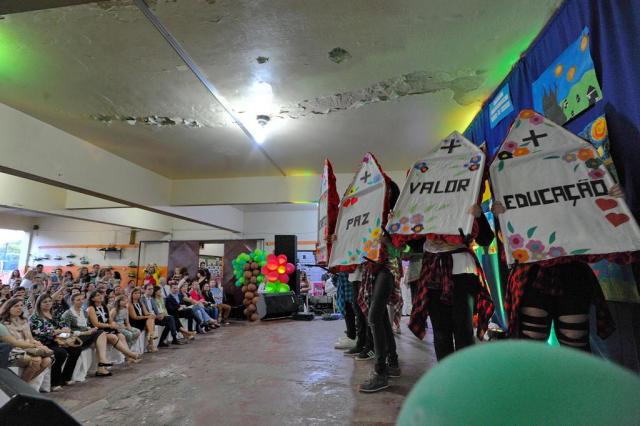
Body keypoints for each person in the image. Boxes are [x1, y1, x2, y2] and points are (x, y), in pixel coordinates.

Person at [492, 185, 626, 351]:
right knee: (532, 343)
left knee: (574, 342)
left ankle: (573, 377)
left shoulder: (570, 169)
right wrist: (502, 219)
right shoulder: (513, 176)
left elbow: (597, 221)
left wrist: (612, 198)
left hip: (571, 270)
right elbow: (507, 243)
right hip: (532, 273)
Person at [409, 202, 495, 362]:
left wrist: (478, 215)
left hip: (463, 271)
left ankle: (464, 379)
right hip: (433, 271)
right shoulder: (424, 202)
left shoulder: (467, 197)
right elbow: (414, 244)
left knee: (463, 332)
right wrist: (403, 224)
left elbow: (486, 239)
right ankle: (447, 378)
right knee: (441, 333)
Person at [29, 294, 83, 390]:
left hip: (59, 339)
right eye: (45, 302)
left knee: (76, 349)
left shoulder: (54, 314)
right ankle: (55, 382)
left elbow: (64, 324)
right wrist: (59, 331)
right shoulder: (35, 317)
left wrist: (65, 328)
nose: (48, 303)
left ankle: (66, 377)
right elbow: (41, 333)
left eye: (49, 301)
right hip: (45, 343)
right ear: (39, 304)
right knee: (61, 353)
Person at [0, 297, 53, 382]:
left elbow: (30, 338)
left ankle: (25, 383)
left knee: (47, 360)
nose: (19, 308)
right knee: (37, 360)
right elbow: (14, 343)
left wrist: (38, 345)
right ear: (8, 308)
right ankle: (21, 386)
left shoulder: (24, 321)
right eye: (16, 306)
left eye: (21, 305)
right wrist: (34, 345)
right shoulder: (3, 323)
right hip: (12, 350)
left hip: (27, 347)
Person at [61, 293, 113, 377]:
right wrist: (84, 332)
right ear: (72, 302)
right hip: (75, 339)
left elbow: (86, 325)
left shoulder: (84, 312)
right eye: (78, 300)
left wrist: (90, 329)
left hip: (85, 336)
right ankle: (102, 363)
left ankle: (101, 367)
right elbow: (65, 333)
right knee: (101, 334)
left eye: (82, 299)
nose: (81, 301)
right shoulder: (68, 314)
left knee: (100, 335)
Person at [86, 290, 141, 364]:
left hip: (107, 327)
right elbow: (96, 324)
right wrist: (110, 325)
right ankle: (130, 354)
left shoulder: (103, 306)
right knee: (113, 337)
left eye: (101, 294)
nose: (100, 296)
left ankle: (128, 358)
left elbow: (110, 319)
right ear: (92, 299)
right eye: (98, 295)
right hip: (98, 330)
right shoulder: (91, 308)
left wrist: (113, 323)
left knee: (121, 336)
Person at [128, 288, 157, 352]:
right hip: (135, 322)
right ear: (132, 294)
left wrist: (151, 314)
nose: (137, 295)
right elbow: (134, 317)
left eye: (139, 293)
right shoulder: (130, 304)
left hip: (142, 320)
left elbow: (146, 312)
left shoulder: (141, 303)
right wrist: (146, 316)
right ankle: (151, 344)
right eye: (135, 293)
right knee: (150, 319)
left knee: (151, 318)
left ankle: (150, 334)